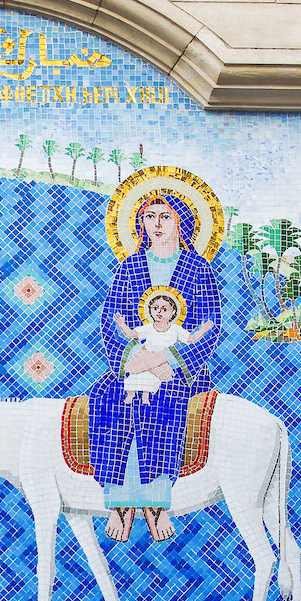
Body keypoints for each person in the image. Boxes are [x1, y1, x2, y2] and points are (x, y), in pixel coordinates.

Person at [89, 196, 221, 544]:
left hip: (178, 369)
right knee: (106, 397)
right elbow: (111, 320)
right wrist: (131, 358)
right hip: (133, 363)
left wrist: (169, 360)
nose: (157, 223)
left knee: (163, 403)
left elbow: (210, 324)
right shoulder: (130, 267)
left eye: (165, 216)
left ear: (183, 223)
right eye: (149, 216)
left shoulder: (198, 268)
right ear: (140, 223)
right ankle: (120, 501)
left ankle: (156, 500)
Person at [115, 295, 214, 404]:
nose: (159, 312)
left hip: (162, 359)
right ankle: (130, 393)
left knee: (151, 374)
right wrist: (122, 324)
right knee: (135, 373)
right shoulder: (148, 327)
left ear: (173, 312)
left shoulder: (175, 329)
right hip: (145, 354)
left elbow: (191, 339)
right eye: (155, 308)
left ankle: (145, 396)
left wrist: (203, 330)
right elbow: (131, 334)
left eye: (164, 309)